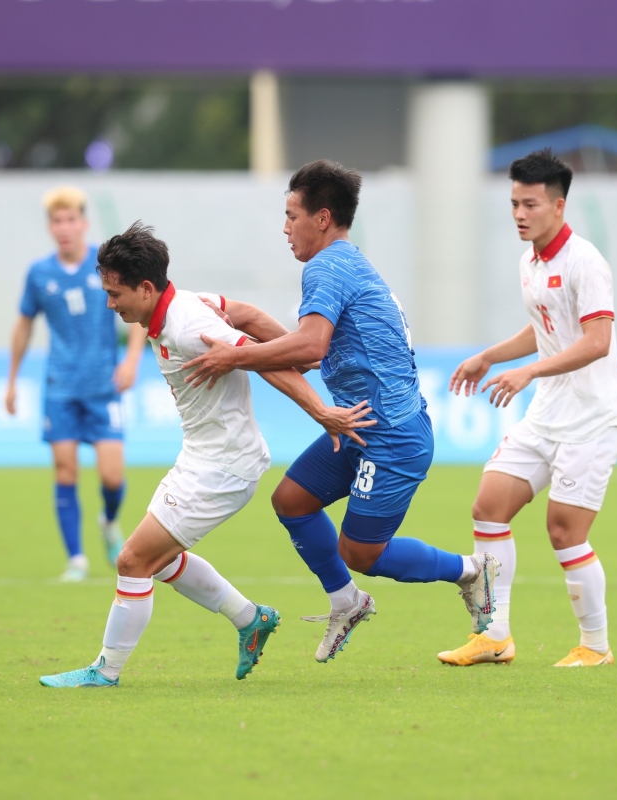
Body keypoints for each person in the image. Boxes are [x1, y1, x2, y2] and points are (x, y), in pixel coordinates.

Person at [182, 160, 498, 664]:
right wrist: (237, 313)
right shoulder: (344, 264)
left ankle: (470, 570)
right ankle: (346, 601)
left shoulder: (327, 267)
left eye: (292, 216)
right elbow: (306, 348)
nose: (285, 228)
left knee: (360, 552)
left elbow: (308, 348)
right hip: (359, 424)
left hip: (391, 434)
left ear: (323, 218)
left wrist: (234, 356)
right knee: (292, 501)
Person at [39, 222, 374, 688]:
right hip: (202, 457)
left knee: (132, 561)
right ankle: (250, 619)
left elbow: (259, 359)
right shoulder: (185, 302)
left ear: (146, 288)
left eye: (115, 294)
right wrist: (299, 353)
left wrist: (320, 410)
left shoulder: (188, 324)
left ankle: (105, 671)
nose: (110, 304)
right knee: (158, 559)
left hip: (222, 467)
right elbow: (247, 314)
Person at [436, 149, 617, 669]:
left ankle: (596, 646)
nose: (520, 214)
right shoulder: (530, 262)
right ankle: (493, 636)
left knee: (565, 532)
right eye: (514, 204)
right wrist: (490, 356)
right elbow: (544, 325)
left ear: (559, 206)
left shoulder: (585, 262)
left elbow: (596, 341)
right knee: (488, 507)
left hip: (590, 421)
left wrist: (529, 372)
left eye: (531, 205)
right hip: (546, 416)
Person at [5, 187, 147, 582]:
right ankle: (77, 559)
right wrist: (12, 380)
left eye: (71, 220)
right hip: (60, 388)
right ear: (50, 227)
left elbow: (140, 307)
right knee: (65, 471)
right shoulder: (39, 273)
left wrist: (132, 360)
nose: (64, 227)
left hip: (104, 386)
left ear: (83, 223)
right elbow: (23, 325)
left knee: (112, 477)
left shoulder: (105, 266)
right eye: (57, 221)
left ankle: (109, 520)